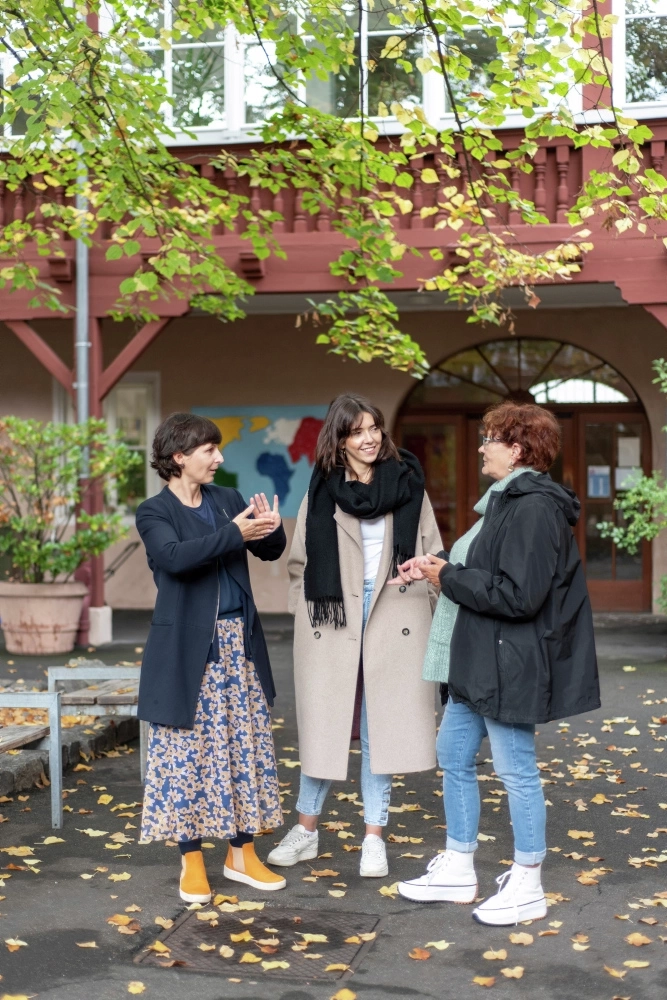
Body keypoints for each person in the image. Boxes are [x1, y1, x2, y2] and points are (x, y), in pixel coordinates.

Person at [395, 400, 600, 925]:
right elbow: (487, 573)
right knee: (454, 753)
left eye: (489, 438)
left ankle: (528, 882)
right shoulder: (505, 503)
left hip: (509, 662)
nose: (481, 446)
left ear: (517, 448)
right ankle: (460, 867)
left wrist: (448, 578)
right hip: (481, 660)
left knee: (516, 770)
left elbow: (519, 595)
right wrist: (440, 568)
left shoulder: (532, 507)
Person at [267, 392, 442, 879]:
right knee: (327, 728)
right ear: (339, 440)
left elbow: (434, 550)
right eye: (356, 431)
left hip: (395, 609)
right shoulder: (321, 489)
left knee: (379, 727)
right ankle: (305, 831)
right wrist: (305, 617)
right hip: (332, 614)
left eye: (374, 428)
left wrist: (422, 578)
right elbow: (299, 563)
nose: (368, 439)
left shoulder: (407, 481)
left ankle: (373, 837)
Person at [136, 412, 287, 903]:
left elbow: (266, 551)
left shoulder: (226, 500)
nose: (219, 458)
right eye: (209, 450)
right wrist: (236, 534)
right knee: (188, 758)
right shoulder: (153, 512)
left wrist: (272, 529)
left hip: (238, 644)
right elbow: (176, 559)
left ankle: (242, 855)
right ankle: (192, 861)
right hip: (187, 652)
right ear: (179, 456)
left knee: (240, 751)